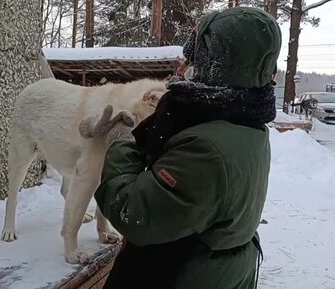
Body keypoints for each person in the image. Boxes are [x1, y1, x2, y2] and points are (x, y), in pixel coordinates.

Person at [92, 7, 282, 289]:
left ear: (216, 68)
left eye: (192, 60)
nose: (180, 70)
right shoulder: (246, 125)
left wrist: (127, 141)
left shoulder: (206, 148)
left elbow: (132, 213)